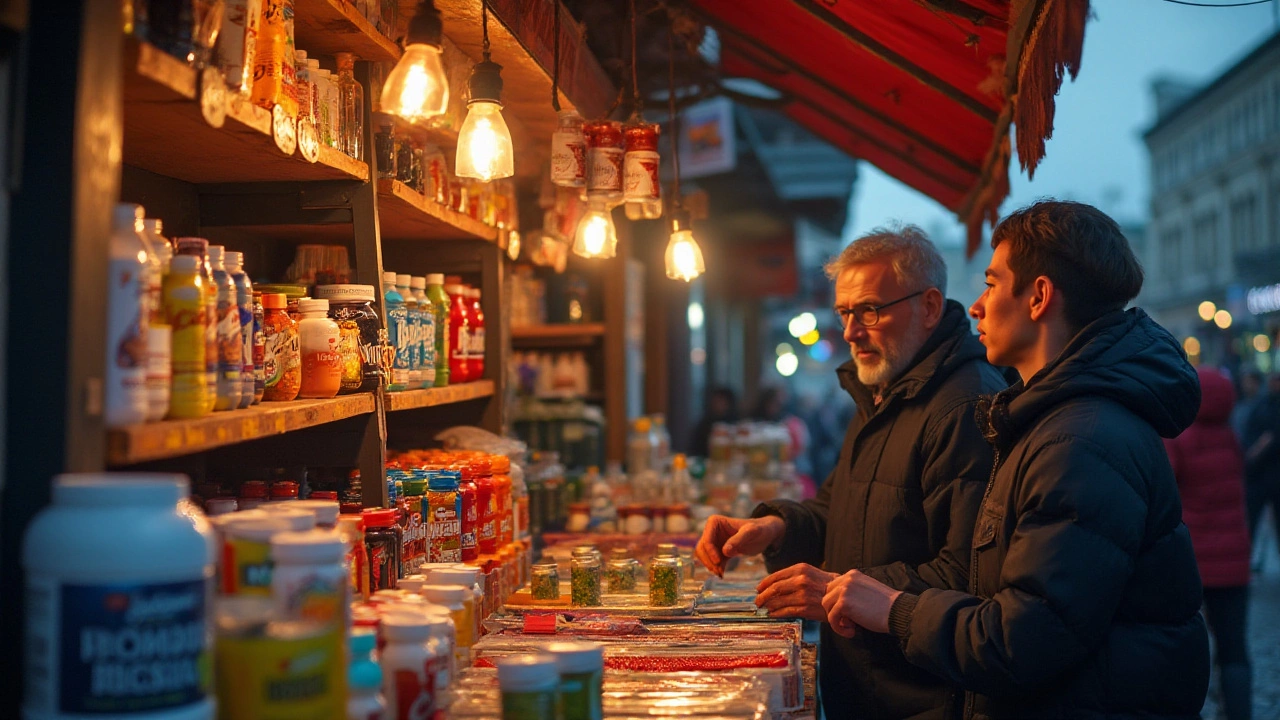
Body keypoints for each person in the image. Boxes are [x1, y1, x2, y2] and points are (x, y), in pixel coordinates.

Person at [823, 200, 1210, 719]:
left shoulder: (1079, 442)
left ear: (1039, 297)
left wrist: (896, 609)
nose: (977, 305)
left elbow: (1023, 640)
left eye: (991, 282)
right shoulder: (1054, 421)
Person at [696, 225, 1008, 719]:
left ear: (929, 307)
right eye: (844, 312)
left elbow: (967, 575)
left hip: (921, 695)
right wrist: (774, 527)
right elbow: (838, 510)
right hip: (867, 684)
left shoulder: (962, 405)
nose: (849, 331)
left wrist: (835, 589)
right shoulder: (883, 390)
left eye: (869, 310)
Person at [1164, 367, 1252, 720]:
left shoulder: (1180, 438)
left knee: (1185, 649)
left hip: (1193, 561)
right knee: (1234, 651)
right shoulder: (1231, 438)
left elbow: (1167, 493)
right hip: (1234, 562)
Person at [1243, 372, 1280, 559]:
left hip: (1268, 474)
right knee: (1251, 523)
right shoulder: (1261, 404)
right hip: (1259, 476)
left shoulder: (1263, 405)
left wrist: (1255, 452)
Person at [690, 386, 739, 458]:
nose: (718, 404)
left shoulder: (735, 422)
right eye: (716, 401)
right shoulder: (705, 423)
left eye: (722, 401)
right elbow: (695, 449)